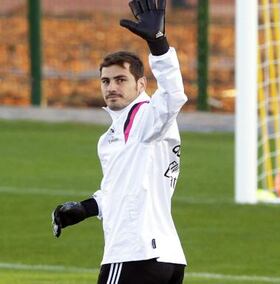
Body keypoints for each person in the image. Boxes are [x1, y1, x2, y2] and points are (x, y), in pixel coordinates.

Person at [51, 0, 187, 283]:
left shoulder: (145, 117)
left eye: (121, 79)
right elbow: (121, 189)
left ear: (140, 85)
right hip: (165, 256)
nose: (112, 87)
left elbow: (173, 96)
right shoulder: (113, 136)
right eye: (105, 81)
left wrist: (158, 45)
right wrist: (84, 209)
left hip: (134, 253)